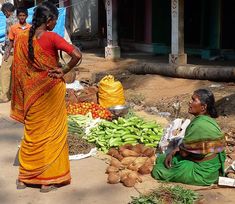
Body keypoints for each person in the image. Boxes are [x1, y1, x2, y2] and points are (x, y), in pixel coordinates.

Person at [11, 2, 82, 192]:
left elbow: (18, 70)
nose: (55, 23)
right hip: (51, 91)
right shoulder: (51, 37)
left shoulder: (22, 37)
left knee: (33, 135)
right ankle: (47, 180)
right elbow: (76, 54)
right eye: (55, 20)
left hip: (31, 95)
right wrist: (63, 70)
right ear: (49, 21)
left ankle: (24, 178)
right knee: (51, 135)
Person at [152, 89, 226, 186]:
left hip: (203, 172)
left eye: (194, 100)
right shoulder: (207, 120)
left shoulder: (199, 125)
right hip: (208, 162)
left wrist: (174, 152)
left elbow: (184, 153)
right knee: (162, 158)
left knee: (158, 170)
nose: (189, 102)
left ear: (203, 107)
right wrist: (175, 151)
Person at [0, 2, 18, 103]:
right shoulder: (19, 16)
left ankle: (4, 96)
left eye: (4, 13)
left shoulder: (11, 19)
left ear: (7, 11)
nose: (5, 15)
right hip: (18, 48)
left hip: (11, 49)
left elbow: (11, 37)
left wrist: (7, 51)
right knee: (13, 71)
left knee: (4, 71)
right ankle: (11, 93)